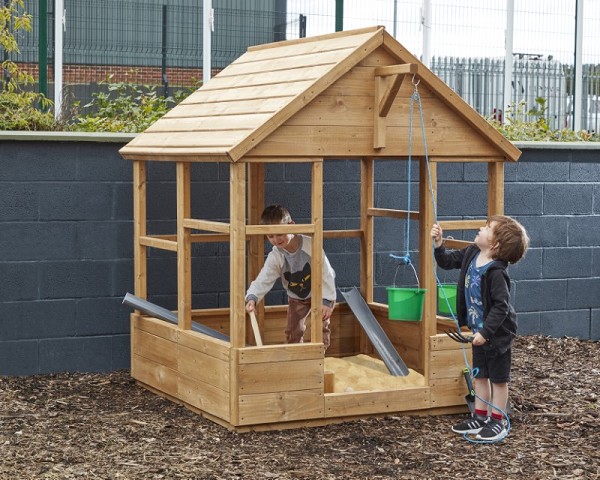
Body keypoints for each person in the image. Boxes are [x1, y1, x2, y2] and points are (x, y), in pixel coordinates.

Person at [431, 215, 529, 441]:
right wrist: (439, 244)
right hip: (478, 333)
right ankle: (481, 415)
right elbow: (446, 262)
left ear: (495, 244)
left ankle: (498, 420)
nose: (480, 229)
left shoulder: (496, 272)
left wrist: (486, 333)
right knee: (480, 376)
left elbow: (501, 307)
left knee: (498, 379)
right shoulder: (471, 253)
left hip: (497, 335)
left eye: (486, 228)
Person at [245, 204, 336, 350]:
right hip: (296, 296)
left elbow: (327, 273)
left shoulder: (310, 245)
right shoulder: (276, 255)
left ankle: (318, 359)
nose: (276, 240)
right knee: (293, 331)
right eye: (270, 236)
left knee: (321, 328)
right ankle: (295, 359)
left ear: (291, 225)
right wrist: (252, 297)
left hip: (319, 294)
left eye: (280, 234)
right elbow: (264, 278)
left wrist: (328, 300)